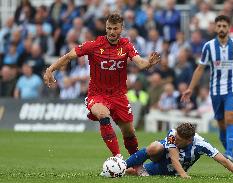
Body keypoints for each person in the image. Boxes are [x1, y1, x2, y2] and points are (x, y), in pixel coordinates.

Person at [44, 13, 161, 158]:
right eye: (109, 28)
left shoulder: (126, 45)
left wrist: (149, 63)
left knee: (129, 132)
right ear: (105, 28)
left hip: (118, 95)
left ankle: (136, 164)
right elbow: (69, 56)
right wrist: (50, 69)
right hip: (97, 94)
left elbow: (140, 62)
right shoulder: (94, 45)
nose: (112, 32)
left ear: (121, 29)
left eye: (115, 29)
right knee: (102, 115)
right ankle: (117, 158)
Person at [181, 15, 233, 162]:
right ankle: (227, 150)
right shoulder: (208, 47)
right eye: (219, 26)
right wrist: (190, 88)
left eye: (224, 26)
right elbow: (200, 68)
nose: (221, 29)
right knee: (221, 123)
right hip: (216, 90)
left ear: (229, 28)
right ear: (215, 27)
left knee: (230, 118)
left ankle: (230, 153)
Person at [124, 122, 233, 179]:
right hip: (162, 158)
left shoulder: (201, 145)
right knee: (154, 147)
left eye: (179, 140)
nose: (176, 141)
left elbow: (223, 160)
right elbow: (174, 157)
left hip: (167, 169)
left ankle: (127, 170)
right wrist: (184, 175)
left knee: (131, 172)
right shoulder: (173, 134)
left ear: (189, 140)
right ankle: (121, 165)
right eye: (176, 138)